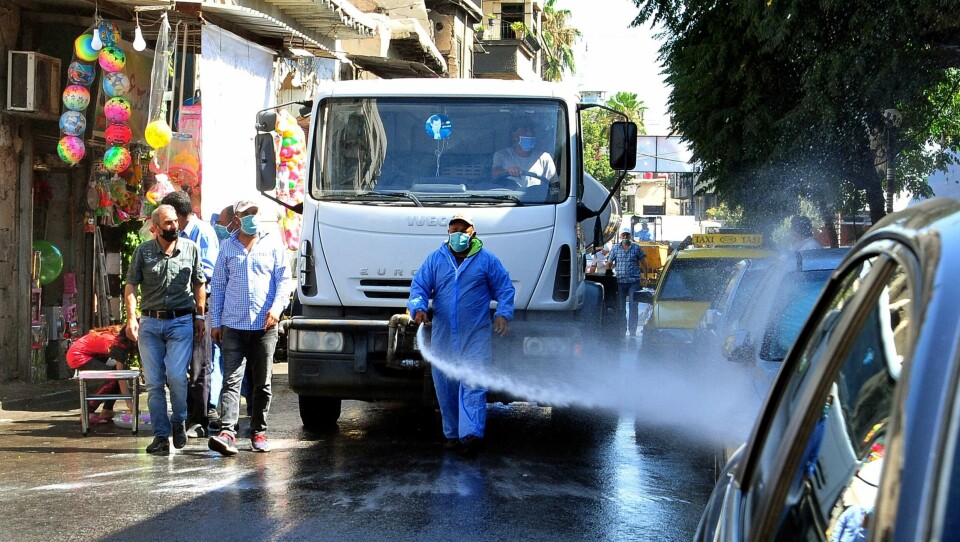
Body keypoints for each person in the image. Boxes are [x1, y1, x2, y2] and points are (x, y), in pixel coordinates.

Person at [408, 212, 515, 456]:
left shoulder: (487, 260)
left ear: (473, 234)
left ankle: (471, 436)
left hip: (475, 334)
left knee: (473, 382)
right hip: (443, 336)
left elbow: (505, 288)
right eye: (453, 230)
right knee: (444, 386)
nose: (458, 235)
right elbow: (420, 287)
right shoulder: (436, 259)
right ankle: (452, 435)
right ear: (448, 233)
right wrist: (419, 308)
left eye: (463, 230)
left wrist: (502, 314)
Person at [208, 200, 294, 456]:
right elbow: (219, 286)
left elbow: (284, 281)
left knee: (262, 383)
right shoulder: (227, 247)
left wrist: (277, 309)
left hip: (264, 325)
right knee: (231, 380)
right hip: (233, 325)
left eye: (255, 213)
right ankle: (227, 432)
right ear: (237, 218)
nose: (252, 218)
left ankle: (259, 431)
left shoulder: (273, 244)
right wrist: (215, 323)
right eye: (247, 214)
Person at [124, 204, 206, 456]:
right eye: (168, 223)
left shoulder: (190, 249)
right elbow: (130, 285)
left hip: (181, 322)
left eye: (175, 222)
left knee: (176, 375)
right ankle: (161, 436)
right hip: (150, 323)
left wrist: (200, 315)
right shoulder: (143, 252)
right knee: (154, 382)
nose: (174, 227)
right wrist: (131, 318)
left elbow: (199, 282)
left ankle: (179, 420)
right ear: (155, 228)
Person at [161, 190, 220, 438]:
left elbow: (206, 273)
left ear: (177, 214)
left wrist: (198, 312)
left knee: (199, 365)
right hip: (177, 310)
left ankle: (199, 419)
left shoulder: (201, 233)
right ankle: (183, 416)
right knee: (177, 366)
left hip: (199, 307)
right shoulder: (176, 236)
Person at [66, 324, 136, 424]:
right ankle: (87, 413)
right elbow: (120, 375)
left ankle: (107, 410)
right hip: (78, 355)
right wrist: (129, 403)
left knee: (119, 373)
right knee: (113, 378)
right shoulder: (118, 343)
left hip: (86, 353)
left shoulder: (120, 336)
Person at [607, 226, 649, 338]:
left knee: (633, 305)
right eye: (623, 235)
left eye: (627, 235)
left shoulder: (636, 248)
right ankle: (622, 329)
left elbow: (644, 264)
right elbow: (609, 262)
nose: (625, 237)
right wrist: (608, 274)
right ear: (621, 236)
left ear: (630, 236)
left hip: (633, 282)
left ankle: (632, 330)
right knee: (621, 307)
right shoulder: (616, 248)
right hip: (620, 282)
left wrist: (645, 278)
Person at [491, 118, 557, 189]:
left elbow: (554, 186)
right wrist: (506, 171)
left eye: (531, 131)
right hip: (508, 199)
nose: (529, 133)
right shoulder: (502, 155)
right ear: (514, 135)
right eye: (524, 130)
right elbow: (495, 173)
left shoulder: (544, 157)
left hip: (537, 199)